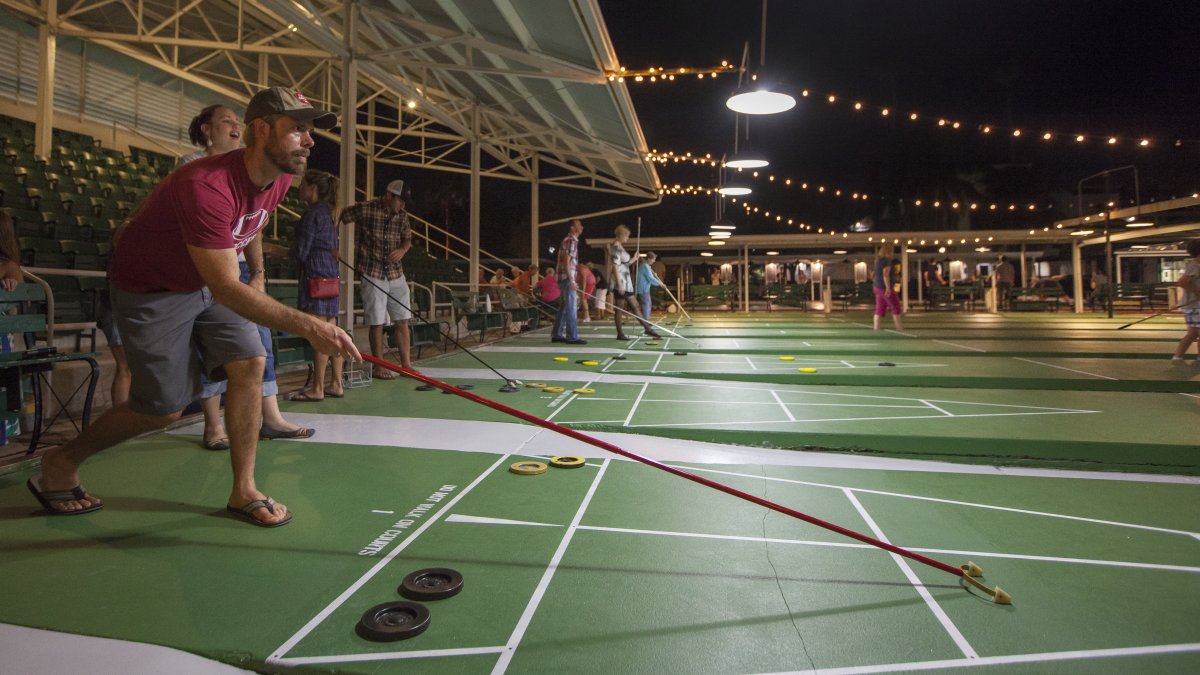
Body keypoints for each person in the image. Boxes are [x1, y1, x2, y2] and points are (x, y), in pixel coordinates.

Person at [27, 86, 360, 525]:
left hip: (205, 280)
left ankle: (244, 490)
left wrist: (257, 271)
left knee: (250, 362)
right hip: (153, 289)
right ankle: (61, 461)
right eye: (298, 128)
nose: (310, 140)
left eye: (310, 130)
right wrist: (309, 326)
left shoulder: (280, 179)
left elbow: (250, 226)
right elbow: (224, 285)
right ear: (260, 130)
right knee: (162, 406)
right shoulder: (204, 184)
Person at [180, 104, 310, 449]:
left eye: (237, 122)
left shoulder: (255, 173)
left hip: (236, 266)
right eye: (225, 122)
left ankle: (271, 416)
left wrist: (258, 272)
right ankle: (213, 424)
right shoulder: (191, 166)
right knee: (210, 346)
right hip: (202, 267)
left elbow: (255, 226)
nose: (234, 127)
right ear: (206, 130)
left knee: (258, 344)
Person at [341, 179, 414, 379]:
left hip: (396, 273)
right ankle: (379, 366)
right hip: (371, 271)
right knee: (377, 321)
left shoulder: (402, 215)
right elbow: (341, 215)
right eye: (400, 200)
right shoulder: (366, 209)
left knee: (403, 319)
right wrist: (333, 242)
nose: (402, 205)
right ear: (388, 195)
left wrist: (403, 249)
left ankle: (406, 365)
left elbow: (408, 238)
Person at [289, 169, 345, 401]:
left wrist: (276, 251)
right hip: (330, 276)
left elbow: (301, 252)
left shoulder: (312, 214)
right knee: (333, 329)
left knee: (321, 333)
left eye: (302, 183)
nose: (298, 186)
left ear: (313, 189)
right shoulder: (328, 214)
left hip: (315, 277)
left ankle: (318, 388)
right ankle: (337, 383)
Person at [606, 224, 660, 340]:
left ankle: (637, 331)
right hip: (621, 283)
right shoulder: (615, 247)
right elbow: (615, 267)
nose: (628, 239)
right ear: (622, 235)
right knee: (629, 307)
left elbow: (624, 265)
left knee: (623, 308)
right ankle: (647, 329)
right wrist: (619, 284)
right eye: (627, 236)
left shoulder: (619, 246)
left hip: (626, 282)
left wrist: (634, 259)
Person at [551, 220, 586, 345]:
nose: (582, 227)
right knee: (571, 306)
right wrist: (572, 280)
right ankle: (572, 336)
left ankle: (556, 334)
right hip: (566, 278)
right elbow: (567, 261)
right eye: (579, 225)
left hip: (564, 277)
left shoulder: (569, 240)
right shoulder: (571, 240)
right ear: (572, 228)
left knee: (564, 306)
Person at [1171, 239, 1200, 364]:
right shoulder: (1194, 265)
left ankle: (1178, 356)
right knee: (1194, 332)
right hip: (1195, 305)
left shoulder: (1195, 265)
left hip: (1194, 305)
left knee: (1193, 333)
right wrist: (1197, 291)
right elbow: (1182, 282)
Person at [872, 242, 903, 331]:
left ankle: (876, 328)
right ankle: (899, 328)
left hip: (877, 287)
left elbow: (873, 274)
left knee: (879, 308)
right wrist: (888, 288)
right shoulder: (887, 261)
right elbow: (885, 274)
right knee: (895, 306)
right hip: (883, 287)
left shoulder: (878, 261)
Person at [635, 251, 663, 321]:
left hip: (643, 289)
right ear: (649, 259)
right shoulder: (645, 266)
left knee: (645, 305)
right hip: (643, 289)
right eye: (653, 259)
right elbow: (650, 278)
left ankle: (644, 320)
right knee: (647, 305)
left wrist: (653, 274)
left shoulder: (646, 266)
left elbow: (650, 276)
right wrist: (660, 284)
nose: (654, 261)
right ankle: (645, 321)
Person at [579, 258, 595, 323]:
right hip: (589, 283)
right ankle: (584, 316)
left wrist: (582, 291)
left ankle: (587, 317)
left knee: (583, 299)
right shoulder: (581, 268)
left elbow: (584, 281)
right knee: (583, 299)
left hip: (589, 283)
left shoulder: (583, 269)